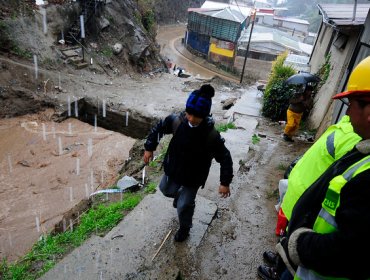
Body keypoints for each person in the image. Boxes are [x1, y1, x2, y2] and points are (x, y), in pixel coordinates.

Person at [273, 56, 370, 279]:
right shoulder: (359, 148)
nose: (346, 113)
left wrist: (300, 244)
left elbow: (348, 252)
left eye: (350, 105)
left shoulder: (365, 176)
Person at [258, 115, 361, 280]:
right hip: (299, 193)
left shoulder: (356, 140)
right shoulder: (347, 123)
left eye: (355, 102)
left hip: (312, 206)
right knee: (288, 235)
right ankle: (280, 259)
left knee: (299, 243)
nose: (348, 108)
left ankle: (279, 272)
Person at [143, 84, 233, 242]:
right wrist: (149, 147)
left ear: (204, 115)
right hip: (174, 168)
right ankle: (179, 196)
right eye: (188, 113)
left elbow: (225, 157)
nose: (190, 118)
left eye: (195, 116)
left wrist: (225, 182)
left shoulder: (211, 135)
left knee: (184, 205)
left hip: (193, 177)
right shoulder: (177, 121)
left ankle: (185, 227)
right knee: (164, 189)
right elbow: (159, 128)